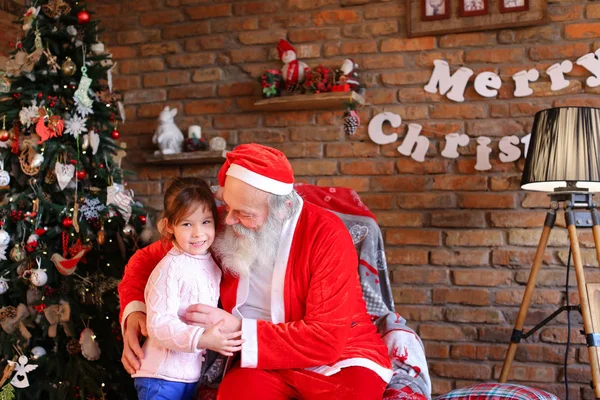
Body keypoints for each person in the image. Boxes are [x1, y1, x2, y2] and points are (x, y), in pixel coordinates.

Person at [119, 144, 392, 399]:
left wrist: (240, 330)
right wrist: (135, 311)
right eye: (228, 206)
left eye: (245, 214)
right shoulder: (223, 225)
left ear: (282, 209)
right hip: (261, 362)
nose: (228, 220)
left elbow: (326, 339)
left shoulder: (327, 234)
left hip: (340, 357)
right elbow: (147, 260)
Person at [131, 177, 243, 400]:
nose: (198, 233)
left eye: (206, 222)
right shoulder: (170, 268)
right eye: (186, 224)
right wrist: (202, 339)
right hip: (160, 376)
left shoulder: (212, 265)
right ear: (169, 226)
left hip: (188, 376)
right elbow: (159, 325)